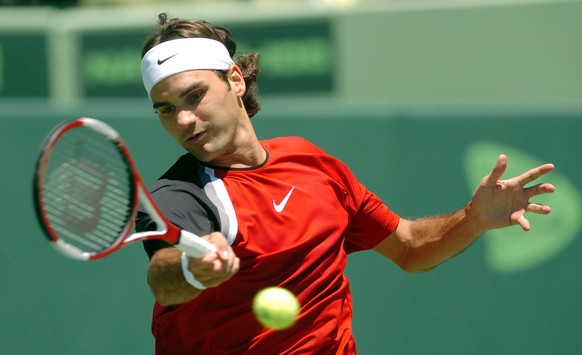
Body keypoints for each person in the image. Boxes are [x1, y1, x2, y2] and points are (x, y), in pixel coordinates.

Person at [135, 13, 556, 354]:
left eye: (194, 96)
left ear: (235, 80)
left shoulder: (310, 162)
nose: (184, 120)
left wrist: (473, 218)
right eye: (166, 110)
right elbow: (163, 276)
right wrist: (193, 266)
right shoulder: (180, 193)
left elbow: (409, 247)